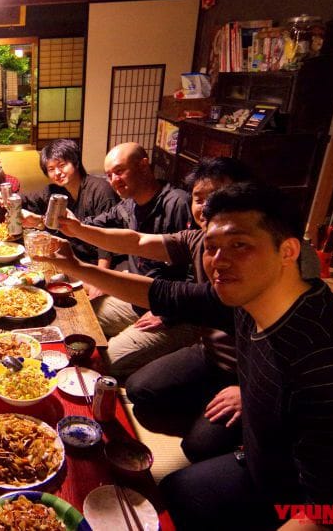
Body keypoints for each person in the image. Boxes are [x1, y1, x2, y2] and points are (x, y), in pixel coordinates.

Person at [39, 182, 333, 530]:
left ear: (288, 250)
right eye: (211, 247)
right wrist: (76, 267)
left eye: (240, 245)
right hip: (261, 462)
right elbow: (164, 293)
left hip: (296, 501)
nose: (219, 262)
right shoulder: (249, 297)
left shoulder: (330, 363)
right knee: (175, 492)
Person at [56, 156, 251, 461]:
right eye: (199, 198)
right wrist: (77, 230)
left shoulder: (254, 257)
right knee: (138, 389)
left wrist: (76, 267)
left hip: (253, 376)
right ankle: (206, 405)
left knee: (197, 448)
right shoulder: (197, 238)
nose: (206, 206)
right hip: (210, 350)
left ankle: (243, 435)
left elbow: (165, 294)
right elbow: (136, 240)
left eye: (217, 196)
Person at [83, 142, 198, 378]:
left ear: (143, 165)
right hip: (138, 297)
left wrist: (166, 313)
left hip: (175, 313)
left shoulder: (178, 204)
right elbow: (96, 225)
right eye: (109, 175)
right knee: (80, 320)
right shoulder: (128, 205)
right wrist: (57, 223)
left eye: (119, 171)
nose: (114, 180)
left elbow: (197, 273)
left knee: (108, 361)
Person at [21, 138, 118, 265]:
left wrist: (99, 278)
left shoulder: (100, 190)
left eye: (62, 165)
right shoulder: (54, 191)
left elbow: (108, 242)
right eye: (51, 169)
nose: (57, 173)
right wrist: (8, 199)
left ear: (75, 162)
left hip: (96, 263)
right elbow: (26, 200)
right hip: (70, 259)